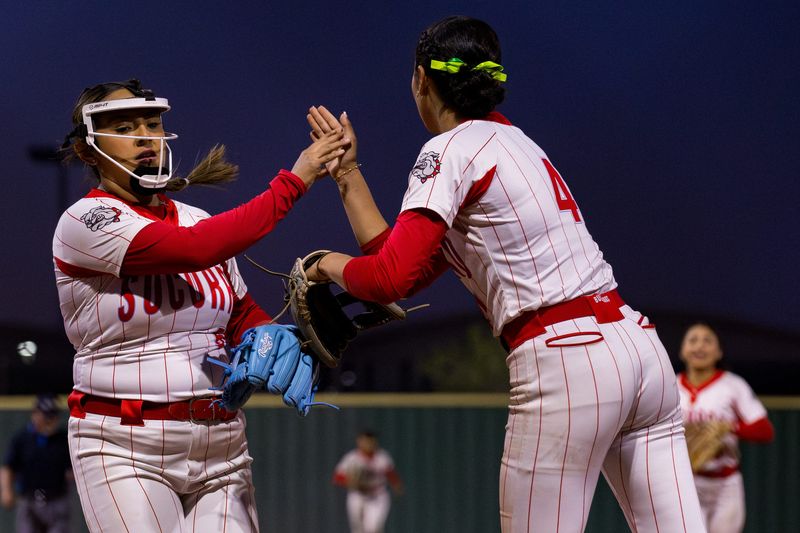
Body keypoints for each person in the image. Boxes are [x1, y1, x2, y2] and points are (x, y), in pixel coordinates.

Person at [305, 16, 707, 533]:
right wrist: (348, 175)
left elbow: (388, 279)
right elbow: (406, 260)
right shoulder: (515, 141)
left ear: (422, 81)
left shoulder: (449, 149)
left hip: (568, 357)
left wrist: (323, 265)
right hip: (638, 349)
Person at [54, 79, 348, 532]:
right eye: (125, 126)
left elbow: (237, 310)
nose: (144, 135)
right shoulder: (85, 221)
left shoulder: (197, 218)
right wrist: (297, 179)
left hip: (221, 439)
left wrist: (262, 334)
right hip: (123, 441)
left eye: (151, 123)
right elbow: (192, 251)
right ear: (89, 151)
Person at [677, 323, 774, 533]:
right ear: (682, 350)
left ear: (719, 351)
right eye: (693, 340)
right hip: (686, 483)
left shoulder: (732, 385)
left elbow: (765, 431)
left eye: (707, 341)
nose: (700, 347)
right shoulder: (671, 387)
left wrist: (730, 427)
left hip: (725, 484)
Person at [1, 394, 73, 533]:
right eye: (45, 415)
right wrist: (6, 491)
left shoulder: (62, 440)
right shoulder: (22, 439)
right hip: (29, 501)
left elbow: (72, 470)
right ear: (35, 415)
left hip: (57, 501)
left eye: (52, 415)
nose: (49, 420)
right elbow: (8, 466)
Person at [332, 431, 403, 533]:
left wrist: (397, 485)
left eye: (370, 441)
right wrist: (350, 483)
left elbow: (391, 474)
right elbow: (337, 477)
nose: (368, 444)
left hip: (377, 495)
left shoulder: (382, 457)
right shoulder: (352, 458)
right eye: (365, 441)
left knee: (372, 529)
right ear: (359, 442)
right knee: (358, 530)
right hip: (357, 495)